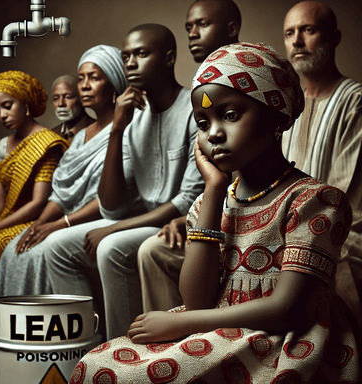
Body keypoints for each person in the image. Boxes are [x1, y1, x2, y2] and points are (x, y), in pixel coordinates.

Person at [69, 42, 362, 384]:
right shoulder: (212, 203)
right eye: (203, 123)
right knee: (93, 365)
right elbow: (196, 300)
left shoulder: (314, 200)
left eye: (231, 115)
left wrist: (177, 323)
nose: (215, 134)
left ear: (277, 116)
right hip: (217, 327)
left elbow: (286, 310)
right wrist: (212, 191)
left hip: (284, 342)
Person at [45, 24, 204, 341]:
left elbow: (186, 200)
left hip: (180, 222)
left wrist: (113, 228)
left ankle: (121, 352)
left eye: (141, 54)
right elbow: (113, 205)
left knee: (110, 247)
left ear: (170, 58)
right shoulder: (133, 119)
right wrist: (117, 130)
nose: (130, 63)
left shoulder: (194, 109)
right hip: (142, 221)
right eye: (127, 56)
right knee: (56, 247)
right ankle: (85, 352)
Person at [0, 45, 127, 301]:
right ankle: (18, 333)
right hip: (65, 216)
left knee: (42, 251)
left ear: (114, 83)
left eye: (95, 78)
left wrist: (58, 225)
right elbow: (61, 194)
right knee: (15, 248)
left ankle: (60, 334)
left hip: (99, 217)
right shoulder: (78, 139)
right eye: (81, 78)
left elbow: (111, 198)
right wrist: (41, 223)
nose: (85, 86)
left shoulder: (126, 129)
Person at [137, 0, 242, 313]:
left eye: (202, 24)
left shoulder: (253, 79)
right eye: (204, 123)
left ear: (231, 28)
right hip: (220, 204)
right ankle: (169, 346)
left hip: (239, 208)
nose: (192, 34)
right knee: (153, 249)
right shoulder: (204, 86)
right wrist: (189, 219)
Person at [0, 70, 68, 370]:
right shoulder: (3, 146)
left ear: (26, 104)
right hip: (5, 217)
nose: (2, 115)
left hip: (31, 220)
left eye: (8, 105)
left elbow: (38, 202)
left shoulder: (46, 142)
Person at [282, 1, 362, 323]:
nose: (297, 42)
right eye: (290, 33)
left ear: (334, 37)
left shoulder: (354, 101)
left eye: (308, 30)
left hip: (342, 232)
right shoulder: (284, 108)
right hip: (283, 227)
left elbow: (347, 200)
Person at [51, 75, 95, 143]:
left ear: (82, 99)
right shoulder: (52, 135)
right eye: (56, 98)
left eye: (68, 97)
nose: (60, 104)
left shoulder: (99, 131)